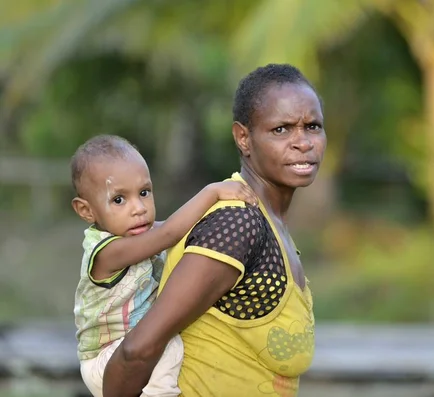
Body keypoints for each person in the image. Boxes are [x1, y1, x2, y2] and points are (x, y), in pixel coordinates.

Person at [103, 63, 327, 397]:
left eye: (312, 126)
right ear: (243, 137)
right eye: (281, 129)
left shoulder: (269, 225)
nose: (302, 142)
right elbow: (138, 350)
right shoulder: (238, 224)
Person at [71, 134, 258, 397]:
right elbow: (170, 233)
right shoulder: (107, 251)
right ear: (86, 211)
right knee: (168, 344)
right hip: (106, 360)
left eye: (144, 193)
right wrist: (212, 192)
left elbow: (180, 228)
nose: (139, 208)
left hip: (130, 349)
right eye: (119, 200)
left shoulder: (137, 234)